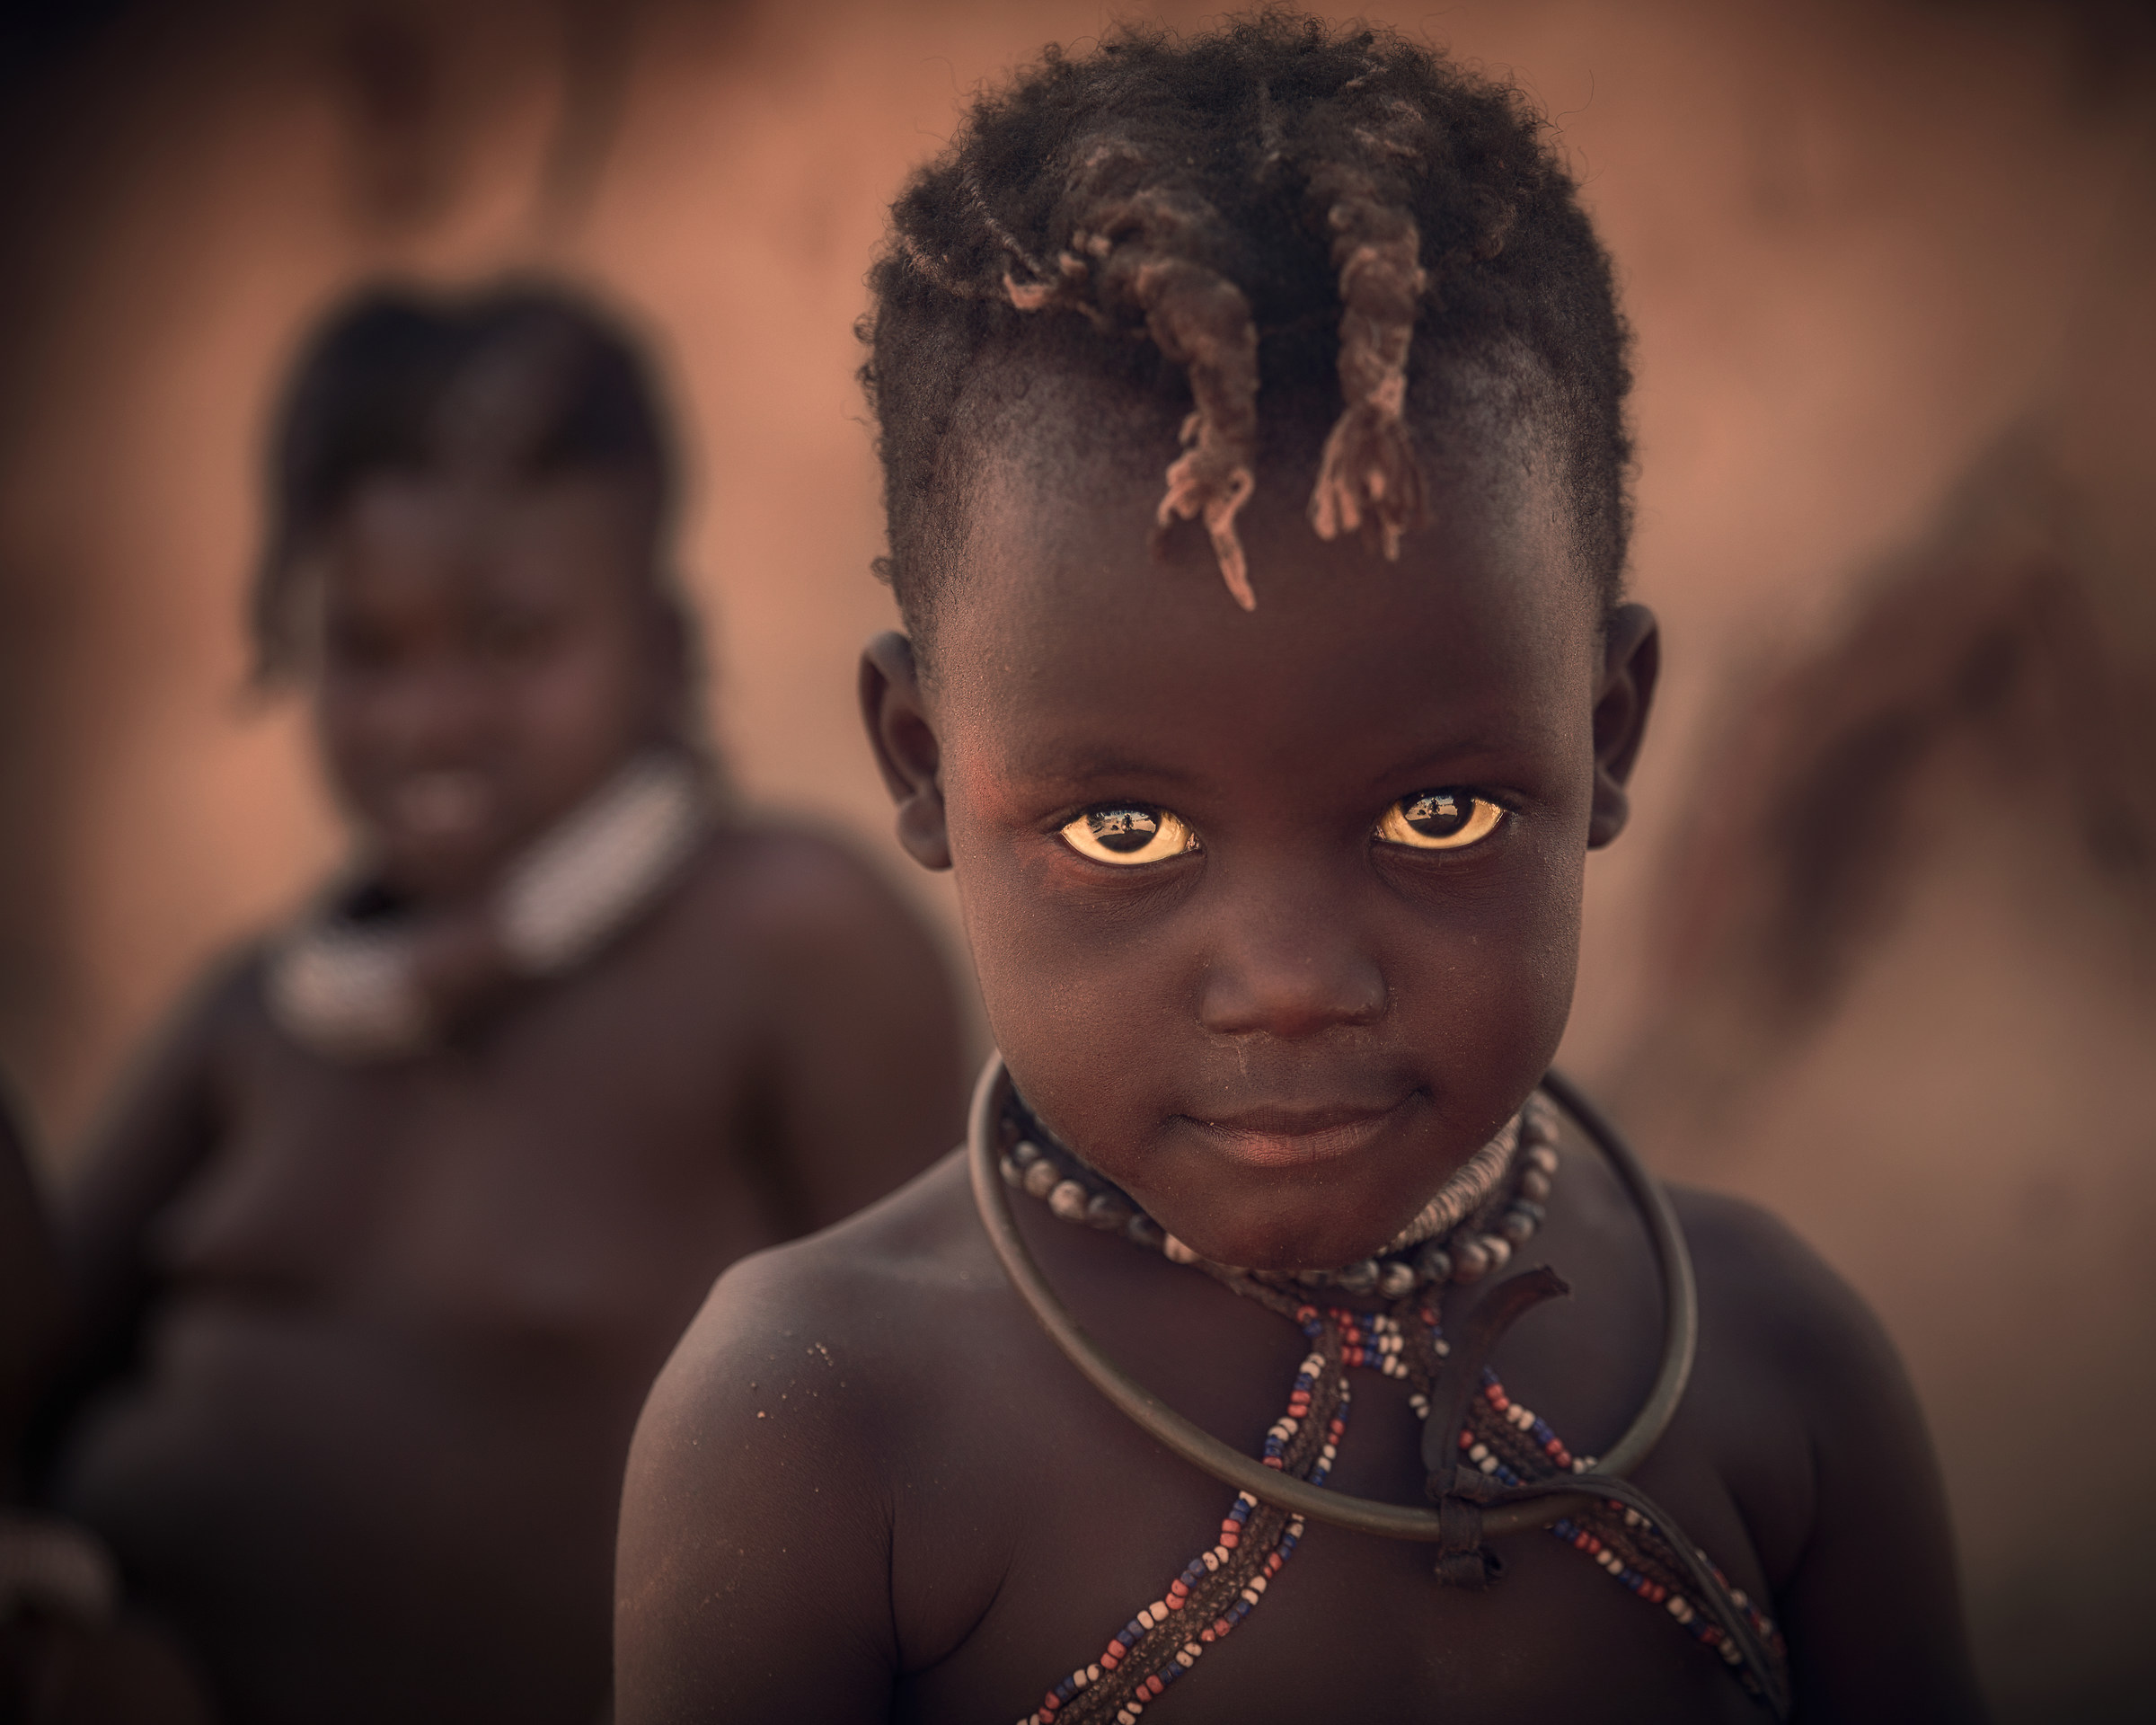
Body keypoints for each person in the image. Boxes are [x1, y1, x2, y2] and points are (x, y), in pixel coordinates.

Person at [614, 16, 1986, 1723]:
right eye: (1127, 832)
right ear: (923, 766)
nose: (1290, 979)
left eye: (1439, 819)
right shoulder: (822, 1421)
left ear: (1607, 732)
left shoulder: (1774, 1369)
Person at [42, 282, 968, 1725]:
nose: (429, 719)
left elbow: (957, 1421)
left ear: (660, 649)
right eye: (368, 647)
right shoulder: (260, 1016)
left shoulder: (786, 939)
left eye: (510, 637)